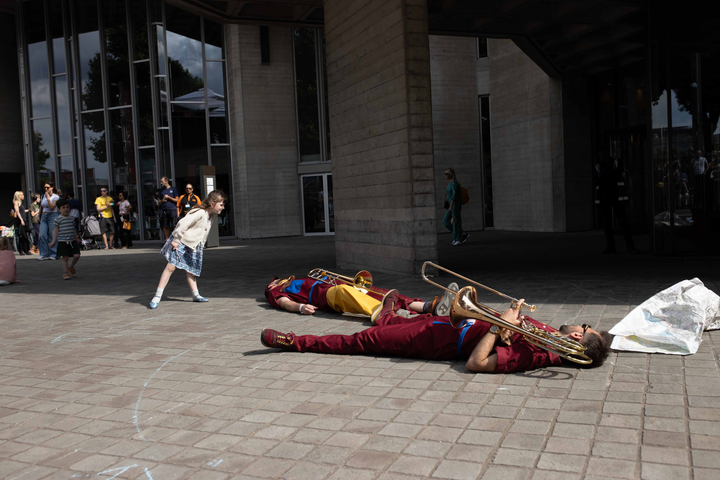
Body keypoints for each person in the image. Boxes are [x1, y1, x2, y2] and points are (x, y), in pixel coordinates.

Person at [261, 291, 612, 374]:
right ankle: (393, 310)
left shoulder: (537, 355)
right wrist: (511, 316)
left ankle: (296, 343)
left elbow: (476, 363)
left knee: (363, 342)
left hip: (440, 341)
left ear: (578, 339)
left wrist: (498, 325)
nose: (578, 325)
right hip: (453, 323)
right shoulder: (550, 334)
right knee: (390, 322)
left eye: (583, 327)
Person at [149, 190, 226, 309]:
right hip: (182, 242)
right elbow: (183, 223)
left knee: (191, 270)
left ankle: (196, 295)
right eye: (221, 204)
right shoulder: (200, 212)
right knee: (170, 267)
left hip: (193, 245)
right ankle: (157, 296)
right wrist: (176, 239)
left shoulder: (211, 216)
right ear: (212, 203)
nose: (223, 207)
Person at [265, 276, 456, 323]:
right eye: (275, 281)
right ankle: (392, 314)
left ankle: (429, 306)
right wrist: (300, 308)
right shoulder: (275, 291)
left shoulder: (291, 279)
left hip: (332, 283)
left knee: (384, 293)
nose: (277, 281)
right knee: (342, 291)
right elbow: (283, 302)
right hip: (324, 295)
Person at [594, 154, 639, 254]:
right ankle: (620, 246)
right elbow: (597, 180)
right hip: (608, 197)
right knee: (611, 224)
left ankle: (624, 246)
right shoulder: (601, 166)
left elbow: (603, 179)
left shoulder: (612, 163)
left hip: (613, 197)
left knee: (620, 222)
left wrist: (604, 177)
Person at [48, 199, 81, 280]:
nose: (66, 209)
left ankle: (71, 266)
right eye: (63, 207)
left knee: (77, 255)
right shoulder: (58, 219)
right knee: (65, 258)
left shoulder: (71, 218)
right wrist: (53, 241)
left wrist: (77, 238)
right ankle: (65, 272)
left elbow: (74, 229)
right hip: (62, 241)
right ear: (59, 209)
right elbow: (55, 231)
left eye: (67, 207)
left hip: (72, 241)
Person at [443, 168, 468, 246]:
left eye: (446, 174)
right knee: (446, 221)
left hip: (455, 205)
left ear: (450, 175)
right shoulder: (450, 183)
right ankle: (461, 233)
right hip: (450, 206)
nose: (445, 175)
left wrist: (450, 206)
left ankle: (457, 239)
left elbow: (454, 196)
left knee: (456, 222)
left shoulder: (454, 183)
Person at [38, 182, 59, 260]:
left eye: (47, 187)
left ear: (52, 187)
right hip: (44, 216)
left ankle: (53, 254)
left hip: (52, 216)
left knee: (52, 235)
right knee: (42, 235)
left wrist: (48, 198)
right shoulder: (43, 195)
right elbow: (41, 206)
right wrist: (39, 215)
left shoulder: (55, 197)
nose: (46, 189)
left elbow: (52, 207)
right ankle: (43, 253)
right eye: (45, 188)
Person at [11, 191, 31, 256]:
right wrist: (21, 220)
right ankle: (22, 250)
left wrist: (28, 210)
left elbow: (22, 211)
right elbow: (17, 212)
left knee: (25, 235)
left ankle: (26, 250)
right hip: (20, 221)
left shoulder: (21, 203)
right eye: (22, 195)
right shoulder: (16, 202)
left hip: (23, 220)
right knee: (22, 235)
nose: (23, 196)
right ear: (18, 196)